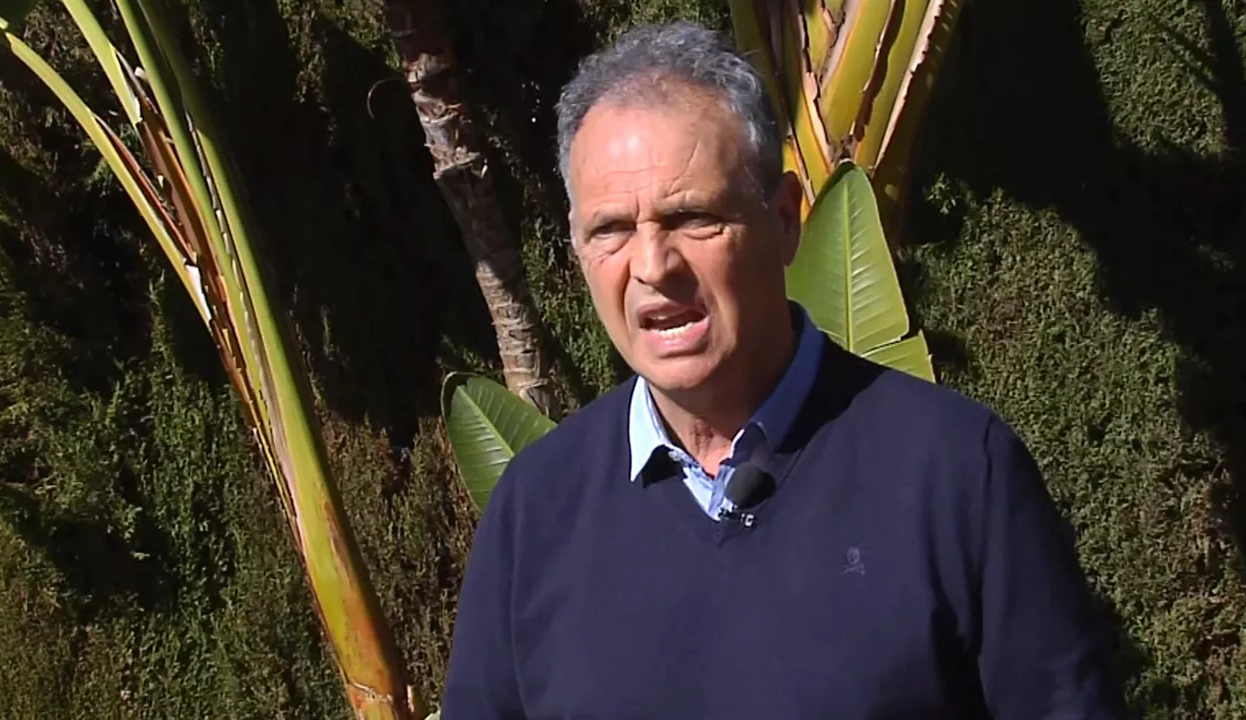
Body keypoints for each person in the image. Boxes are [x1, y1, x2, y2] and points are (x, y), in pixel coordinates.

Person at [441, 20, 1131, 719]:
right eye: (612, 229)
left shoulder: (953, 472)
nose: (653, 267)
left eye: (692, 217)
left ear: (785, 220)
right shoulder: (536, 511)